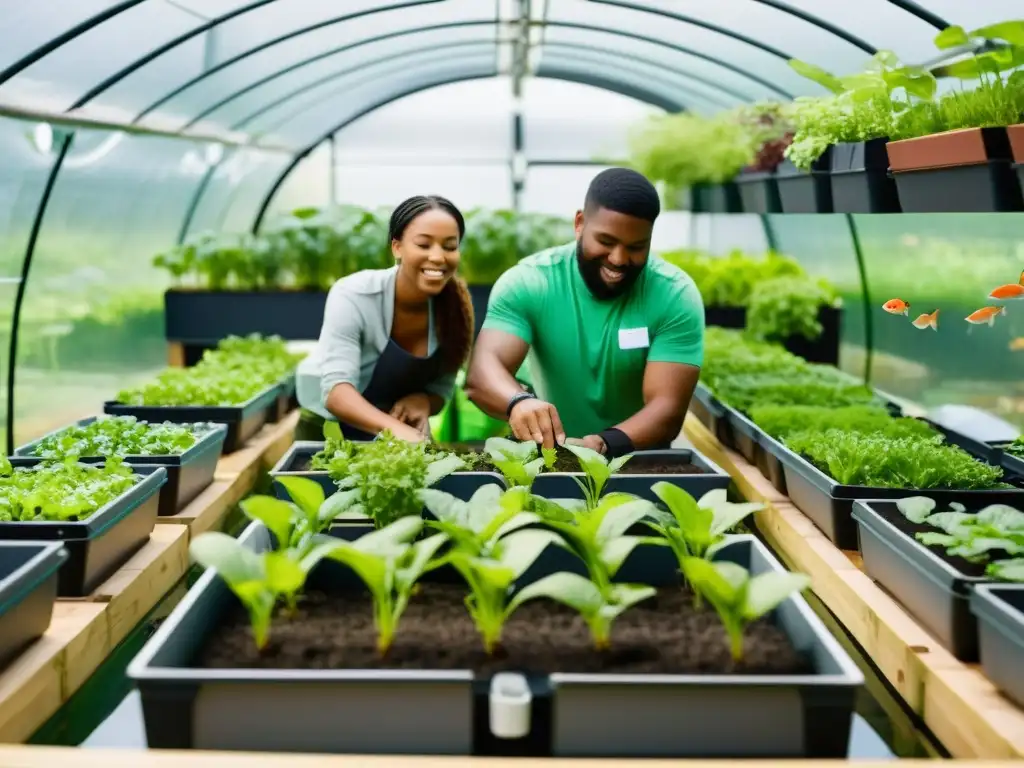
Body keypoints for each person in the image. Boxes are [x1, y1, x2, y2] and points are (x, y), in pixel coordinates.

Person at [464, 167, 704, 457]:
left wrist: (603, 444)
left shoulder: (673, 295)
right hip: (546, 454)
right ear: (580, 223)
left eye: (636, 247)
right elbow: (483, 372)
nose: (618, 259)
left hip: (637, 458)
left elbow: (666, 409)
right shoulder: (532, 282)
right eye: (606, 241)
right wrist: (518, 402)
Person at [294, 195, 474, 442]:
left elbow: (441, 390)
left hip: (400, 434)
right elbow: (337, 391)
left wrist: (423, 402)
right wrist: (395, 431)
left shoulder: (456, 309)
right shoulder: (354, 293)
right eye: (423, 245)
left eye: (450, 246)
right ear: (396, 247)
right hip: (328, 430)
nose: (438, 257)